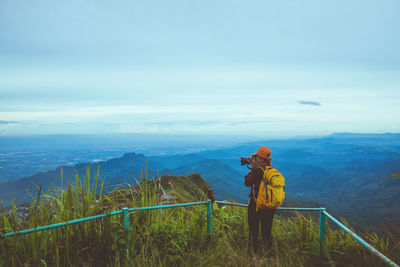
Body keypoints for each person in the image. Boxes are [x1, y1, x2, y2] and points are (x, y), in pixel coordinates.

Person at [244, 146, 279, 255]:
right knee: (266, 232)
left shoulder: (258, 170)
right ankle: (269, 255)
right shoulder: (270, 170)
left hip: (256, 204)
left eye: (256, 157)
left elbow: (247, 182)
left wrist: (253, 167)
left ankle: (253, 254)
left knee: (253, 231)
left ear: (260, 158)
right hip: (269, 205)